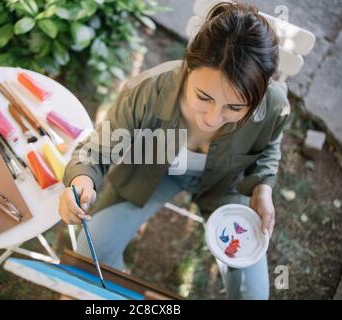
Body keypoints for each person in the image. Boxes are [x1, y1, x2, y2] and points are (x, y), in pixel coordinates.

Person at [58, 2, 291, 300]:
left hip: (225, 185)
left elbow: (270, 145)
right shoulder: (147, 90)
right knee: (93, 252)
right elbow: (97, 150)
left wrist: (263, 188)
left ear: (259, 96)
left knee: (253, 295)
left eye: (234, 107)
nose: (211, 118)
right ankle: (119, 294)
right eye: (203, 97)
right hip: (151, 174)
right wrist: (82, 182)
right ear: (188, 66)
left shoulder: (274, 105)